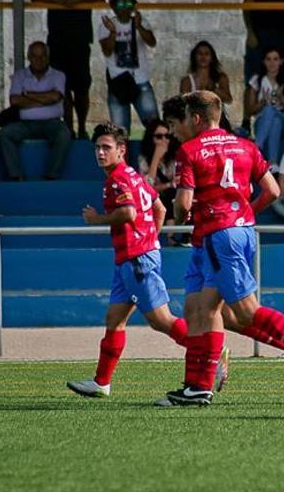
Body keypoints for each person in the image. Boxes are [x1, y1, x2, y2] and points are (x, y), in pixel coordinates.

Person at [156, 91, 284, 407]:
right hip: (235, 231)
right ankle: (196, 387)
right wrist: (244, 211)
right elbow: (274, 190)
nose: (178, 126)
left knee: (245, 311)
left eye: (182, 119)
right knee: (199, 308)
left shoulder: (190, 150)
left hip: (218, 235)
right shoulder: (245, 145)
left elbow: (183, 205)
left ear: (196, 118)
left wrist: (184, 214)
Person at [66, 122, 228, 397]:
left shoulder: (118, 179)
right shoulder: (134, 175)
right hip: (130, 260)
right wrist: (151, 239)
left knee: (162, 321)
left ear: (121, 150)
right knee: (114, 320)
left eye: (106, 147)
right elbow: (159, 207)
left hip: (136, 260)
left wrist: (98, 219)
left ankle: (212, 356)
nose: (100, 153)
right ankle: (101, 381)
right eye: (97, 147)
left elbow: (128, 213)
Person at [0, 41, 72, 181]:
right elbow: (15, 101)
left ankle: (52, 175)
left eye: (43, 56)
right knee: (4, 134)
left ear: (48, 57)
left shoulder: (58, 75)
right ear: (29, 57)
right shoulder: (20, 75)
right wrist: (46, 98)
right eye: (35, 56)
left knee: (64, 134)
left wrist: (28, 95)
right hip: (25, 123)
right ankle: (16, 175)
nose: (39, 60)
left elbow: (56, 97)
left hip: (52, 123)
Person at [34, 0, 101, 140]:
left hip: (80, 40)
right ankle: (69, 129)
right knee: (62, 89)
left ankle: (82, 127)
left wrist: (76, 1)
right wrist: (60, 1)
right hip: (57, 40)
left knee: (82, 89)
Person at [240, 0, 284, 134]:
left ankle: (283, 117)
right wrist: (250, 31)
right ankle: (246, 122)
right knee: (252, 79)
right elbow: (247, 2)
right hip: (259, 33)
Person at [98, 0, 159, 130]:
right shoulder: (106, 25)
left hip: (141, 80)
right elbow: (107, 51)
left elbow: (152, 42)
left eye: (128, 3)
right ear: (113, 7)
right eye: (120, 3)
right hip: (118, 82)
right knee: (120, 131)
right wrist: (113, 32)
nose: (124, 7)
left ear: (133, 6)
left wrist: (139, 26)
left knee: (154, 126)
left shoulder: (140, 22)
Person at [246, 48, 284, 167]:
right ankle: (273, 163)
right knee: (275, 121)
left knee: (272, 112)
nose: (272, 63)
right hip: (261, 123)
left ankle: (256, 147)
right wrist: (263, 102)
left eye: (275, 59)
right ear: (264, 62)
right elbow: (250, 110)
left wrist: (281, 98)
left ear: (281, 61)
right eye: (268, 59)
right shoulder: (256, 79)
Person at [137, 119, 183, 246]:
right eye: (159, 136)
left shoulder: (175, 157)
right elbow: (146, 187)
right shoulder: (144, 159)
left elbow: (179, 181)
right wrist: (156, 157)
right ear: (151, 138)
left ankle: (175, 236)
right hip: (155, 198)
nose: (164, 140)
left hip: (173, 195)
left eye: (167, 136)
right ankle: (170, 237)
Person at [179, 41, 234, 131]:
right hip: (195, 119)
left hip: (217, 119)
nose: (203, 57)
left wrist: (215, 90)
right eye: (200, 54)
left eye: (206, 54)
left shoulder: (220, 78)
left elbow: (228, 99)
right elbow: (183, 103)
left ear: (212, 58)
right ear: (195, 57)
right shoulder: (187, 80)